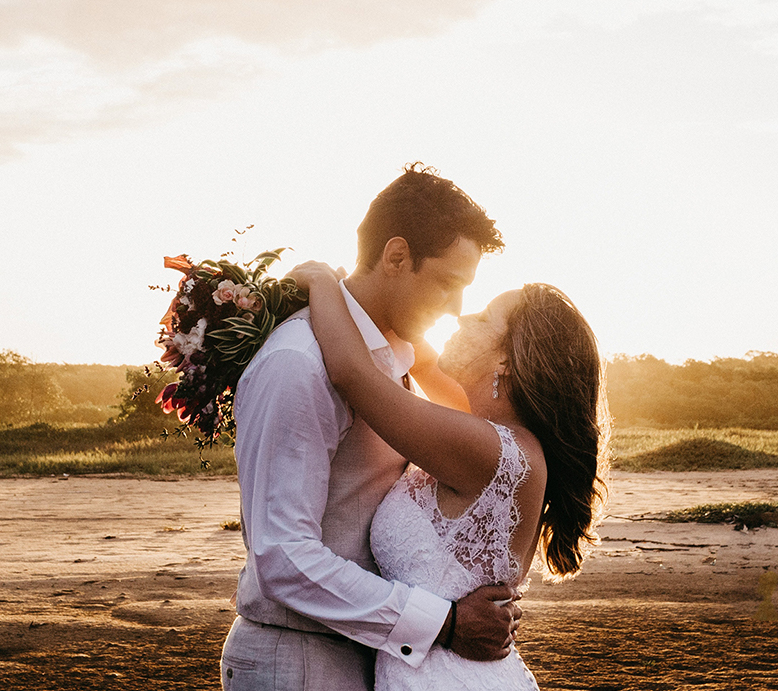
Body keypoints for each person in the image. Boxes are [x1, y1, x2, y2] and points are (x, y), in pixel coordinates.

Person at [221, 164, 522, 691]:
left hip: (367, 650)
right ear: (397, 256)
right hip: (302, 661)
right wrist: (444, 624)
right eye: (449, 284)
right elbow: (284, 556)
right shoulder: (299, 362)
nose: (456, 310)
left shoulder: (391, 363)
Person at [285, 260, 608, 690]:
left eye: (483, 316)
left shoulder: (494, 451)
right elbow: (419, 357)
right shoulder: (485, 433)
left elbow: (352, 373)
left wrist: (323, 280)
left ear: (505, 359)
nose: (463, 315)